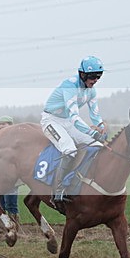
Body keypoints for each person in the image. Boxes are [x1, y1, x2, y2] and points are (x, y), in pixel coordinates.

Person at [41, 55, 108, 205]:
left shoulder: (91, 91)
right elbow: (74, 117)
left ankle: (82, 181)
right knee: (70, 150)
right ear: (82, 74)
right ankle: (58, 190)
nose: (96, 80)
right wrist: (92, 133)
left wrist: (102, 129)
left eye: (99, 76)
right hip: (51, 120)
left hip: (67, 122)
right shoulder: (70, 86)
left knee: (97, 145)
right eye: (93, 76)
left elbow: (95, 115)